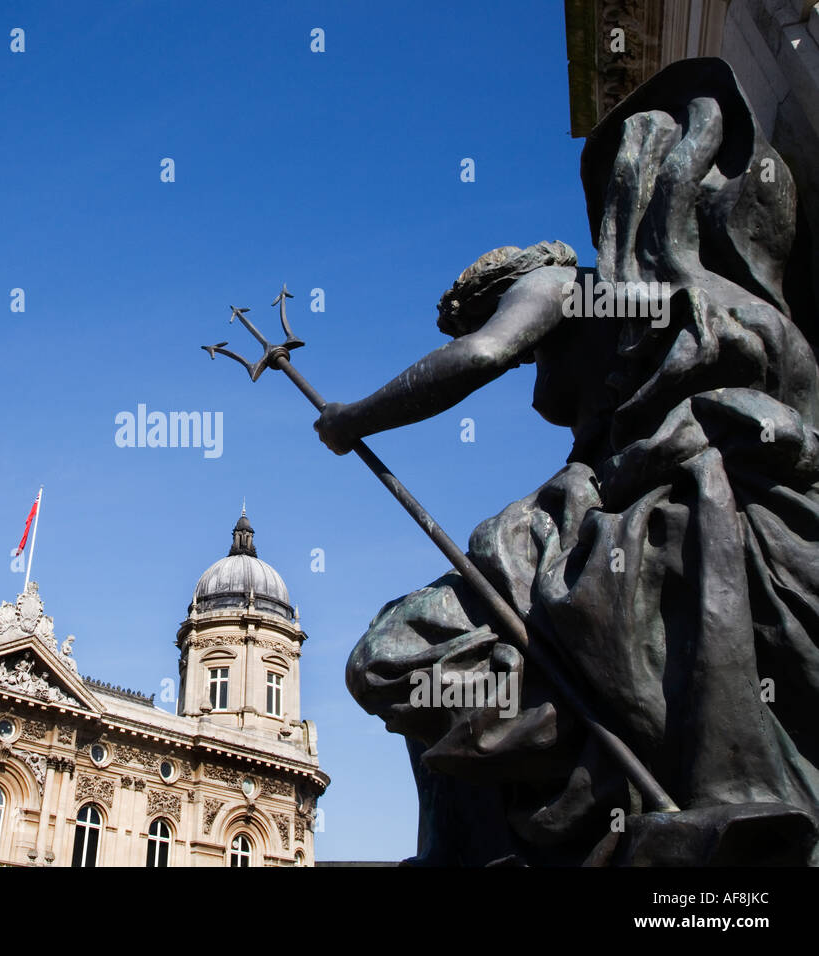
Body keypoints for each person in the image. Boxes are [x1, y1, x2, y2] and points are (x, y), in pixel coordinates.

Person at [316, 58, 819, 865]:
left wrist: (354, 416)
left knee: (392, 654)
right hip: (643, 498)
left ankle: (506, 825)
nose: (528, 371)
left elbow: (478, 356)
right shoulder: (626, 323)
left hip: (650, 504)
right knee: (436, 652)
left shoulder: (559, 284)